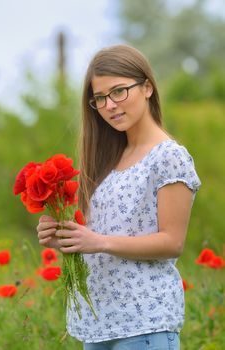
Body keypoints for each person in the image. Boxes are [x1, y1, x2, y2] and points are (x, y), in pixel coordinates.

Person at [37, 44, 201, 350]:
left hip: (145, 325)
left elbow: (172, 242)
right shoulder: (108, 159)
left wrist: (98, 241)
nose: (110, 105)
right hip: (99, 325)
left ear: (148, 87)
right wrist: (66, 240)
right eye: (100, 98)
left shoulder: (168, 156)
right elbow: (102, 237)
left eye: (119, 91)